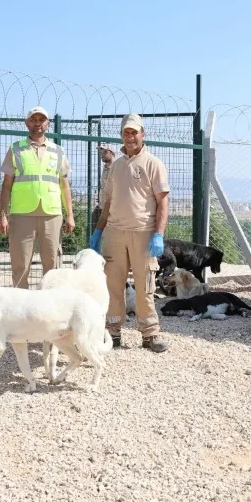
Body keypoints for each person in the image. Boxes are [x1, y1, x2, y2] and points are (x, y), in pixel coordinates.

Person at [89, 113, 170, 353]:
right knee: (113, 285)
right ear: (121, 135)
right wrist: (97, 232)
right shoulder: (116, 166)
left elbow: (163, 203)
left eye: (134, 132)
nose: (130, 136)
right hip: (115, 233)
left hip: (143, 233)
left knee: (145, 286)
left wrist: (159, 234)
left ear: (142, 134)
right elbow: (108, 203)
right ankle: (112, 332)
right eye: (126, 132)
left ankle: (150, 333)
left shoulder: (153, 164)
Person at [0, 106, 75, 289]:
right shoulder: (16, 149)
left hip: (52, 214)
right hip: (22, 214)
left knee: (52, 268)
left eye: (41, 120)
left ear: (48, 124)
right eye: (33, 120)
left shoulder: (58, 151)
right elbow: (6, 185)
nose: (37, 124)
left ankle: (49, 310)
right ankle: (21, 312)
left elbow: (64, 185)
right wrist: (2, 215)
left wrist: (70, 214)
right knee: (20, 265)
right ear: (27, 123)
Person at [90, 143, 116, 227]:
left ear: (111, 153)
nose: (102, 155)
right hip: (102, 205)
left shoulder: (116, 167)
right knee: (93, 225)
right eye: (101, 153)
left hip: (111, 208)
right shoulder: (106, 167)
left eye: (105, 152)